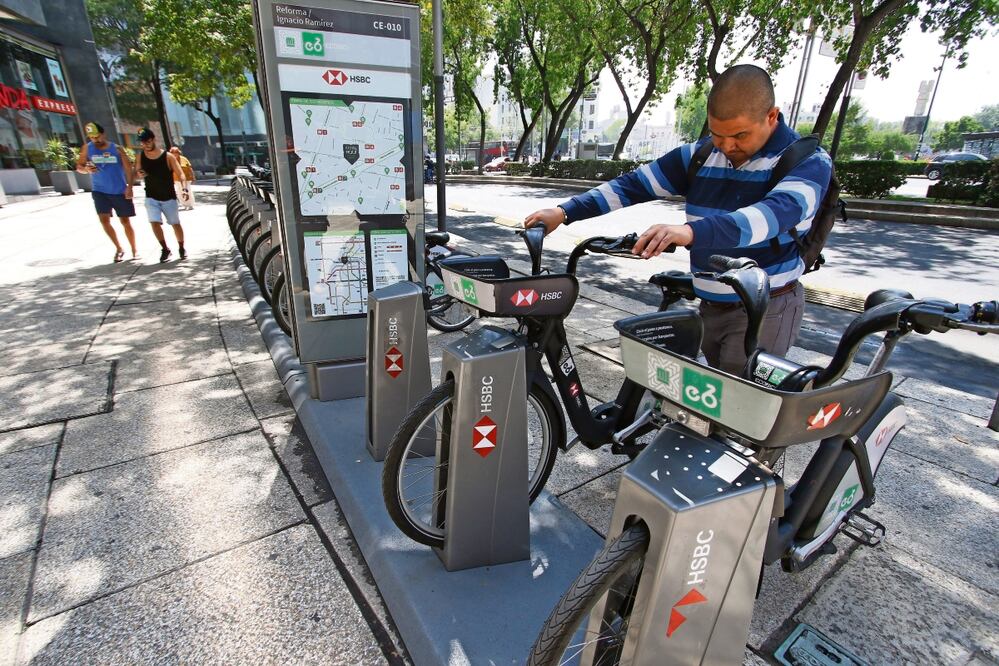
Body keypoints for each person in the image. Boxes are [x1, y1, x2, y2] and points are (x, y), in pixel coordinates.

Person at [525, 65, 833, 376]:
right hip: (710, 305)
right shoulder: (700, 156)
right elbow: (632, 185)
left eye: (740, 135)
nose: (726, 146)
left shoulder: (807, 163)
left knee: (735, 409)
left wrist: (689, 232)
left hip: (763, 309)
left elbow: (768, 217)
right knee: (706, 402)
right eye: (716, 134)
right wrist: (565, 212)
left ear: (771, 116)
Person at [76, 121, 137, 263]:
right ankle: (119, 248)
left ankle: (134, 249)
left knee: (125, 221)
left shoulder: (117, 149)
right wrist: (86, 169)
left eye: (97, 136)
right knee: (104, 220)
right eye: (92, 137)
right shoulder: (87, 148)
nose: (95, 140)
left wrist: (129, 187)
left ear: (103, 134)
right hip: (99, 191)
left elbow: (128, 169)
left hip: (119, 190)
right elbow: (79, 166)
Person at [136, 127, 187, 262]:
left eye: (146, 141)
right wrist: (140, 173)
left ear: (153, 140)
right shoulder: (140, 156)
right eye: (141, 142)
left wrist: (184, 187)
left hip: (168, 196)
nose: (144, 145)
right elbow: (137, 171)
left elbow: (180, 172)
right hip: (151, 196)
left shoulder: (168, 156)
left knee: (175, 223)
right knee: (154, 222)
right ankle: (165, 249)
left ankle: (181, 247)